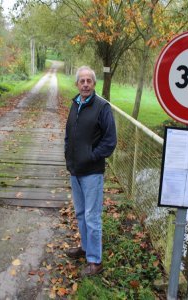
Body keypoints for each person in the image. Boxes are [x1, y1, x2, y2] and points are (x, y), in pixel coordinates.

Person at [64, 66, 117, 277]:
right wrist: (68, 154)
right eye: (82, 81)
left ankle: (95, 261)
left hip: (92, 172)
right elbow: (69, 133)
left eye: (89, 81)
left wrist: (91, 155)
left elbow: (110, 141)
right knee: (80, 214)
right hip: (75, 170)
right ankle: (85, 248)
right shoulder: (75, 103)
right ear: (77, 84)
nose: (85, 84)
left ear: (94, 84)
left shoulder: (102, 107)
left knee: (92, 217)